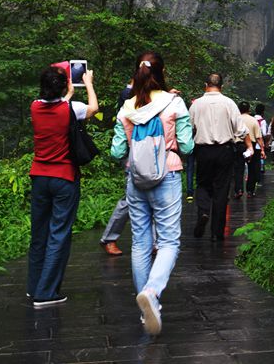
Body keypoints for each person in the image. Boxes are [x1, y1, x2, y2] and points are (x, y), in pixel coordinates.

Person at [111, 50, 193, 336]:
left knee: (140, 243)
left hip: (136, 177)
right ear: (161, 72)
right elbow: (187, 145)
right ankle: (152, 292)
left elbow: (117, 150)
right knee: (169, 241)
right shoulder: (175, 102)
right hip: (167, 174)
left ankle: (148, 312)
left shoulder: (126, 108)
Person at [28, 63, 98, 307]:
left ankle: (34, 286)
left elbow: (57, 103)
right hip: (64, 178)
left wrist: (65, 90)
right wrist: (87, 83)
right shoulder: (72, 109)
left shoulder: (35, 107)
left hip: (39, 176)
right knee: (58, 234)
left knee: (39, 233)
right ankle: (46, 293)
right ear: (66, 86)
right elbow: (93, 109)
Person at [189, 71, 251, 240]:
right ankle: (217, 233)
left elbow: (189, 128)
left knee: (202, 185)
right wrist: (249, 146)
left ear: (205, 85)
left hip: (203, 150)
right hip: (224, 150)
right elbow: (240, 129)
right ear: (221, 86)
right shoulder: (229, 103)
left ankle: (203, 212)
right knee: (221, 189)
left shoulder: (196, 104)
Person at [99, 78, 134, 256]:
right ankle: (109, 238)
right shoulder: (128, 94)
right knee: (129, 200)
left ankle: (155, 243)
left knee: (155, 200)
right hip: (132, 155)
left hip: (153, 156)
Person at [238, 101, 263, 195]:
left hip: (238, 145)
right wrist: (262, 149)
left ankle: (238, 189)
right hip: (251, 146)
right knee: (252, 169)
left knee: (238, 169)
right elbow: (258, 137)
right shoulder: (253, 120)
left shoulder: (236, 119)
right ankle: (250, 190)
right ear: (249, 109)